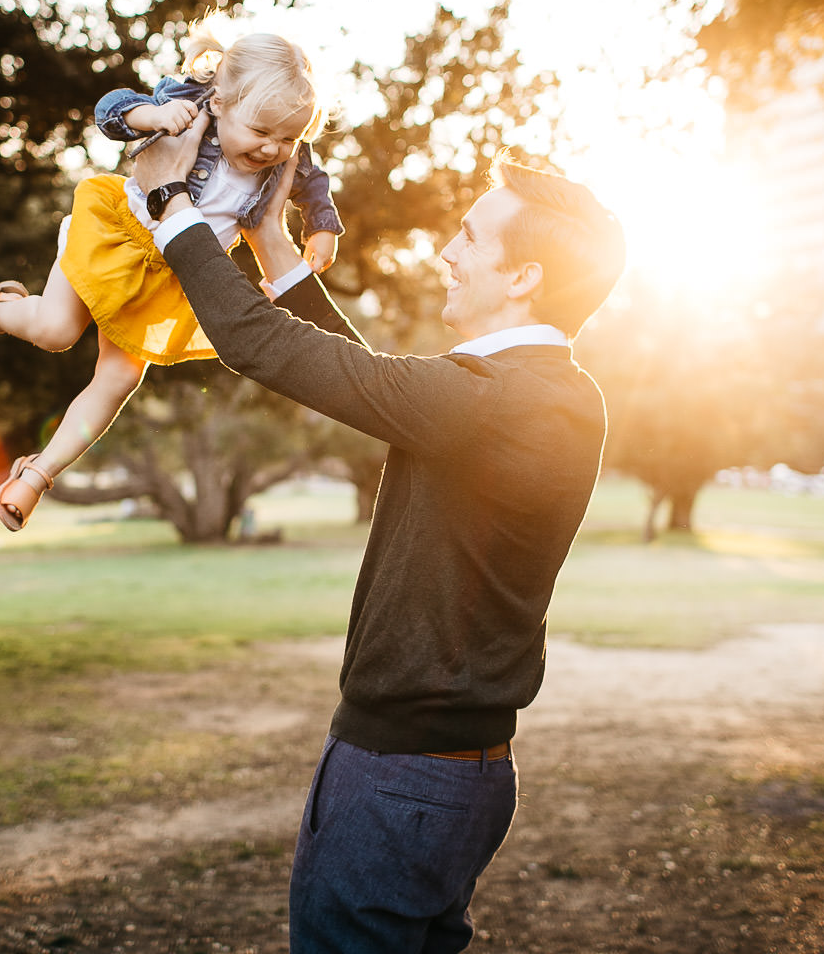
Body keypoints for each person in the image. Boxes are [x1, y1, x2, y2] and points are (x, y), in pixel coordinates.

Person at [132, 120, 626, 953]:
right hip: (454, 775)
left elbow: (263, 346)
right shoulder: (546, 394)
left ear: (523, 275)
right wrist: (267, 238)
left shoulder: (492, 398)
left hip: (402, 781)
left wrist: (169, 203)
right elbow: (378, 386)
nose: (448, 253)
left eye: (469, 237)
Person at [0, 21, 345, 530]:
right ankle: (0, 309)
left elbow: (314, 186)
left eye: (287, 138)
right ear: (220, 101)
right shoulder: (189, 104)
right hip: (117, 235)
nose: (272, 148)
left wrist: (322, 228)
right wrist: (153, 114)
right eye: (261, 131)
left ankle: (37, 474)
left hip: (168, 274)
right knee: (55, 332)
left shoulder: (287, 155)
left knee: (117, 379)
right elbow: (110, 110)